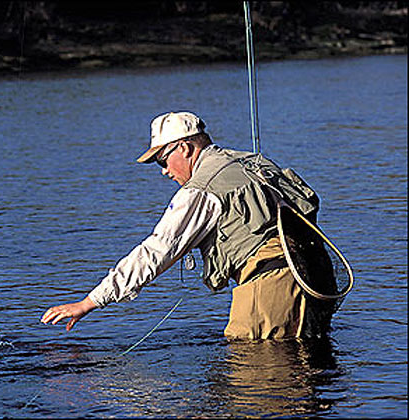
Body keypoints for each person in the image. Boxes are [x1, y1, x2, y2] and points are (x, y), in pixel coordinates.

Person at [41, 111, 336, 340]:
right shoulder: (251, 161)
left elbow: (157, 251)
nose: (165, 172)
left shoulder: (201, 188)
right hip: (317, 279)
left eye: (162, 161)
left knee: (255, 381)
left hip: (271, 284)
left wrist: (90, 302)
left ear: (184, 147)